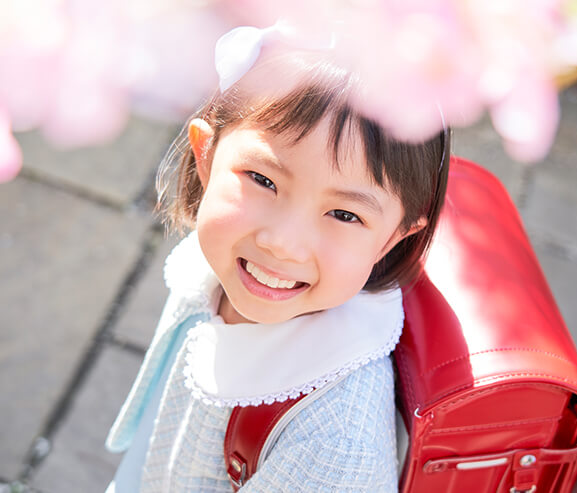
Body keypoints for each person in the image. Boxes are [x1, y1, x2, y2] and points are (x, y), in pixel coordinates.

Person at [104, 23, 449, 493]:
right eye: (262, 180)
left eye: (344, 214)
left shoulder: (335, 445)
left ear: (393, 238)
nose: (283, 243)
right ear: (206, 155)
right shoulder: (214, 263)